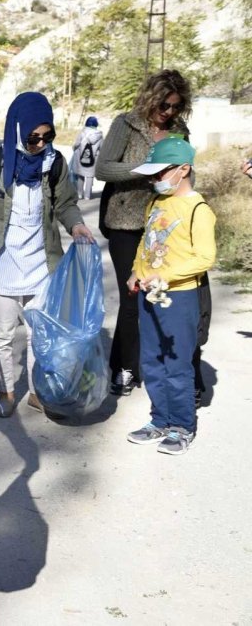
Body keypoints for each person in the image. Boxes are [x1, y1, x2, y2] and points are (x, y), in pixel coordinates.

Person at [0, 92, 94, 418]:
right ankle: (6, 392)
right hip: (2, 264)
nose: (40, 144)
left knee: (41, 335)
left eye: (47, 136)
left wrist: (76, 225)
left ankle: (38, 392)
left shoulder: (55, 163)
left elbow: (65, 204)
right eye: (33, 137)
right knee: (2, 337)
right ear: (17, 129)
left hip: (42, 264)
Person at [96, 69, 192, 397]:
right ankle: (124, 368)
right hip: (125, 221)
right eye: (164, 105)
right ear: (151, 98)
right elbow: (103, 168)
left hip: (162, 224)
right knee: (132, 295)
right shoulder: (126, 123)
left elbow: (186, 172)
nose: (169, 112)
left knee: (159, 294)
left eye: (176, 106)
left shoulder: (179, 130)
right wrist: (141, 169)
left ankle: (153, 363)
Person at [125, 138, 216, 455]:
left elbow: (204, 258)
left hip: (178, 297)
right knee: (151, 360)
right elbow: (146, 242)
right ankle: (160, 420)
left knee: (177, 364)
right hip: (148, 294)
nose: (154, 179)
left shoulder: (198, 210)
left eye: (160, 173)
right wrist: (136, 271)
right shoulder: (156, 202)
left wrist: (166, 276)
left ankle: (182, 426)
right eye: (151, 174)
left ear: (183, 170)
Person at [71, 116, 104, 200]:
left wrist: (74, 148)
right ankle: (87, 196)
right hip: (93, 158)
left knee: (80, 176)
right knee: (90, 177)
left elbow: (77, 144)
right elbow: (102, 148)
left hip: (81, 157)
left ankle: (79, 194)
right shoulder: (99, 135)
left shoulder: (82, 133)